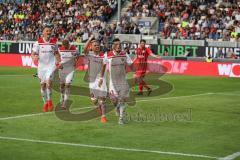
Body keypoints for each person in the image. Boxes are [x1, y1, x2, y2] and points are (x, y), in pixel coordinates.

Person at [31, 26, 60, 112]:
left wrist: (58, 62)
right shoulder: (38, 43)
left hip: (51, 66)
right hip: (41, 67)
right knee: (43, 86)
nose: (48, 32)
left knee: (49, 82)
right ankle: (45, 103)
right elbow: (33, 54)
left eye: (50, 31)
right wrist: (34, 57)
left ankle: (50, 101)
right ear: (43, 33)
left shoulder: (54, 43)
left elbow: (56, 54)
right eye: (47, 31)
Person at [107, 38, 133, 124]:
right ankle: (117, 107)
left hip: (122, 81)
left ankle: (121, 118)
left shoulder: (124, 55)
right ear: (113, 46)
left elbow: (131, 64)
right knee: (114, 100)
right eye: (116, 45)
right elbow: (103, 65)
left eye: (119, 44)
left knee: (122, 99)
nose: (118, 46)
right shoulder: (108, 55)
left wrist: (135, 73)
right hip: (112, 82)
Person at [84, 35, 108, 123]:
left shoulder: (103, 56)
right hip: (92, 80)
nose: (97, 46)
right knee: (94, 100)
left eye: (98, 45)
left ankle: (103, 116)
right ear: (91, 47)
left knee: (102, 99)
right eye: (95, 45)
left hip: (101, 80)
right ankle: (98, 106)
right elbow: (84, 49)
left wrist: (101, 78)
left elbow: (104, 67)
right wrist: (90, 39)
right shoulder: (89, 54)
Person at [58, 39, 79, 109]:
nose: (65, 47)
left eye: (66, 46)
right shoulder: (60, 49)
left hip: (70, 69)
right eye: (63, 46)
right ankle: (61, 96)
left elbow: (78, 56)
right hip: (62, 69)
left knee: (67, 85)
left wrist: (76, 60)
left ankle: (64, 103)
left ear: (68, 44)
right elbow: (57, 57)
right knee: (61, 85)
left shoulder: (75, 49)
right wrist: (58, 63)